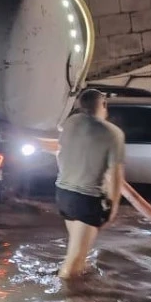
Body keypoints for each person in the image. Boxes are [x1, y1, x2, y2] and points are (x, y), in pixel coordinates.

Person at [55, 88, 125, 281]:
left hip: (63, 194)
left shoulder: (69, 123)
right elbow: (116, 175)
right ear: (103, 105)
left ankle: (79, 290)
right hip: (87, 199)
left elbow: (59, 154)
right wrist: (114, 205)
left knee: (78, 252)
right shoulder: (113, 134)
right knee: (74, 260)